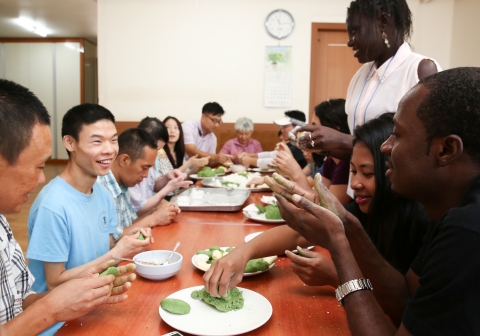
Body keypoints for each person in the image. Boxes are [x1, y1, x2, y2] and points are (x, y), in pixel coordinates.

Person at [272, 68, 480, 335]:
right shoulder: (449, 213)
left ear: (447, 150)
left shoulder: (468, 230)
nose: (386, 146)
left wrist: (339, 245)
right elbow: (405, 299)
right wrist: (347, 225)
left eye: (399, 135)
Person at [203, 113, 428, 308]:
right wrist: (243, 252)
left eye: (367, 174)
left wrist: (337, 276)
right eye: (353, 172)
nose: (356, 183)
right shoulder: (363, 208)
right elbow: (301, 231)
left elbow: (402, 304)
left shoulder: (423, 226)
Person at [26, 103, 149, 335]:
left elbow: (103, 251)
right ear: (70, 143)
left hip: (93, 305)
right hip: (57, 323)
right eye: (97, 141)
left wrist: (127, 243)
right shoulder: (53, 205)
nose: (109, 150)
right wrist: (116, 252)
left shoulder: (102, 194)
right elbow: (55, 283)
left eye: (113, 140)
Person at [293, 0, 440, 161]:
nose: (349, 41)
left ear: (383, 22)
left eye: (355, 31)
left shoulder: (420, 69)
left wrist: (343, 140)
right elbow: (357, 152)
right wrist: (327, 146)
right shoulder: (360, 77)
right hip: (358, 183)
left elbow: (422, 146)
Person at [98, 128, 186, 239]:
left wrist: (156, 212)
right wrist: (153, 219)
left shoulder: (124, 183)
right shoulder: (100, 188)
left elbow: (129, 224)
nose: (146, 175)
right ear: (124, 160)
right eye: (144, 168)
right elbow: (109, 241)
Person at [273, 100, 351, 204]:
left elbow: (328, 209)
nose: (310, 132)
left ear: (335, 130)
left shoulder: (346, 164)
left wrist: (295, 172)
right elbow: (316, 194)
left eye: (315, 126)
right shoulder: (330, 160)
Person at [128, 118, 192, 214]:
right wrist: (168, 188)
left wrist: (167, 177)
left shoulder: (149, 160)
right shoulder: (131, 165)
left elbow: (154, 185)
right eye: (157, 149)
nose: (157, 153)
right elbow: (139, 210)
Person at [240, 110, 308, 169]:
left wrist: (250, 160)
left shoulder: (300, 144)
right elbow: (273, 154)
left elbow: (276, 162)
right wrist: (250, 155)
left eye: (285, 126)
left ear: (298, 127)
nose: (282, 130)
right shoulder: (292, 143)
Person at [182, 102, 233, 167]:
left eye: (219, 121)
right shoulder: (188, 127)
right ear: (203, 117)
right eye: (213, 120)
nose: (217, 125)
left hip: (197, 172)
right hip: (180, 170)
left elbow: (209, 162)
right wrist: (215, 157)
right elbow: (191, 151)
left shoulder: (213, 138)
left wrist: (220, 161)